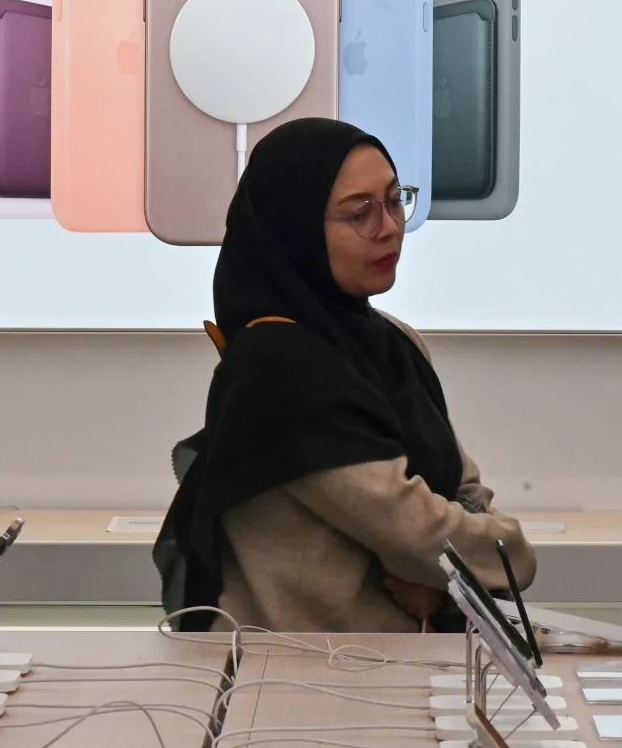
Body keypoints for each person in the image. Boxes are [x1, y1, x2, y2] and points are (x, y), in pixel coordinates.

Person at [154, 117, 534, 633]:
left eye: (396, 200)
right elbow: (415, 530)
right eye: (359, 213)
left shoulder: (393, 340)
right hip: (297, 687)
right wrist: (505, 555)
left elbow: (462, 490)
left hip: (394, 675)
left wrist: (447, 585)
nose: (389, 226)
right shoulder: (278, 366)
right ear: (297, 228)